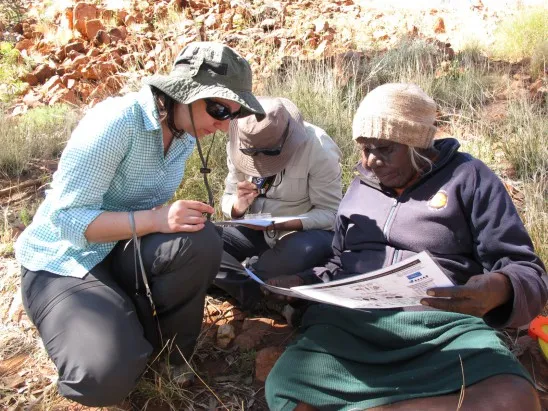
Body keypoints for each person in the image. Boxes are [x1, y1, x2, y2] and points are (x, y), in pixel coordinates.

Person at [264, 83, 547, 410]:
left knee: (514, 398)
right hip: (350, 328)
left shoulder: (468, 178)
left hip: (445, 327)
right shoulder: (360, 187)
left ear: (418, 144)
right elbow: (339, 265)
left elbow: (525, 268)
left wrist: (499, 287)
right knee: (287, 386)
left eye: (384, 148)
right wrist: (303, 283)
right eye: (364, 148)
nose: (371, 162)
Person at [14, 42, 265, 407]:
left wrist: (164, 219)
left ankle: (168, 353)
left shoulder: (183, 133)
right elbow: (67, 219)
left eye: (234, 113)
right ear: (183, 93)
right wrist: (157, 219)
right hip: (65, 260)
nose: (224, 122)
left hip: (121, 249)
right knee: (103, 376)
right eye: (217, 108)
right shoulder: (118, 122)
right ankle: (89, 325)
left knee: (202, 239)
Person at [215, 96, 342, 310]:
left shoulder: (319, 148)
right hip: (252, 231)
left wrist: (284, 224)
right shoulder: (240, 142)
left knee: (303, 251)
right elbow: (228, 198)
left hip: (300, 236)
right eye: (251, 154)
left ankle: (231, 280)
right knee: (199, 239)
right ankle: (260, 290)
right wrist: (238, 207)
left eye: (269, 154)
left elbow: (331, 213)